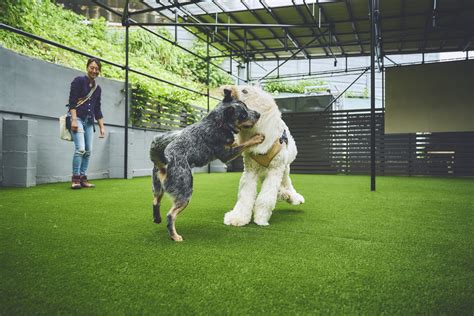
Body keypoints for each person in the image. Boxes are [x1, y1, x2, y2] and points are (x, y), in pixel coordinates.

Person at [68, 58, 105, 189]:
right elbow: (72, 102)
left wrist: (101, 126)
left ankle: (83, 179)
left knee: (88, 151)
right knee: (80, 149)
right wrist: (73, 119)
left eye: (96, 69)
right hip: (77, 118)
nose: (94, 70)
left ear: (99, 71)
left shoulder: (97, 88)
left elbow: (97, 108)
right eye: (92, 67)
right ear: (87, 67)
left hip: (89, 121)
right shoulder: (78, 81)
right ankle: (75, 179)